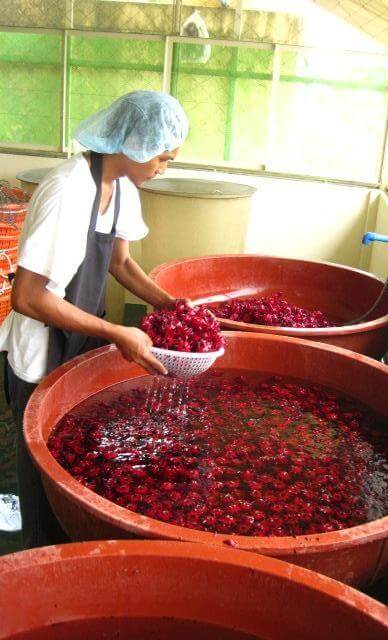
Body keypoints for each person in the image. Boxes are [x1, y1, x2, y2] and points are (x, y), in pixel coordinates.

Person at [0, 90, 189, 548]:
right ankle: (35, 561)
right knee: (40, 482)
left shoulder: (121, 188)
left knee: (70, 466)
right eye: (161, 158)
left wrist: (176, 307)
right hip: (41, 354)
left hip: (77, 345)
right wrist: (115, 333)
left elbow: (120, 263)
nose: (163, 168)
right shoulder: (68, 188)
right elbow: (27, 296)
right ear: (132, 145)